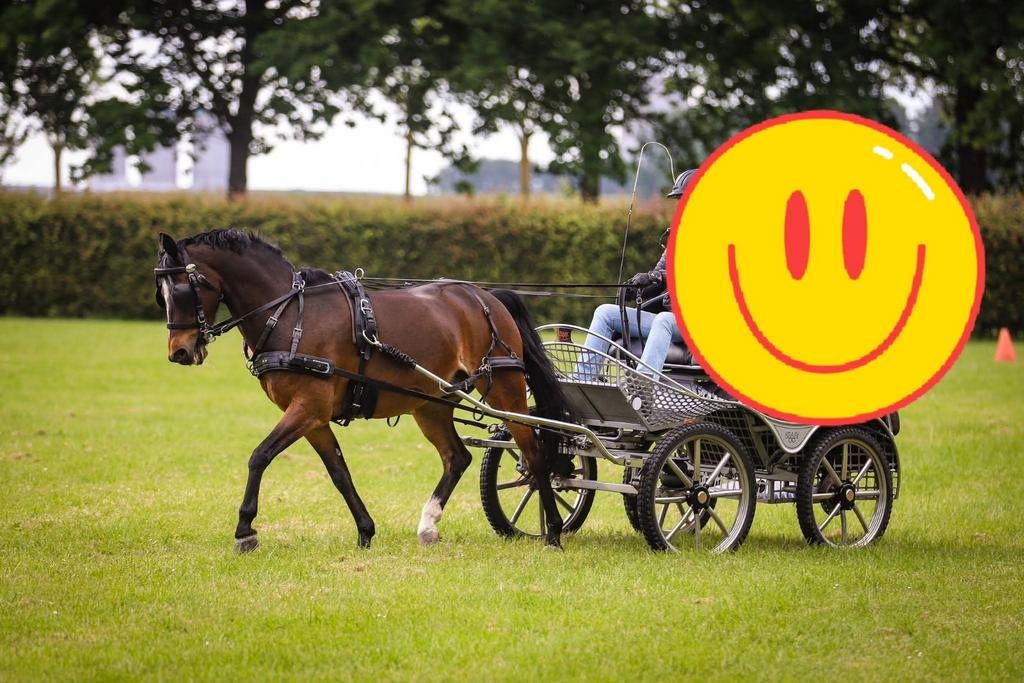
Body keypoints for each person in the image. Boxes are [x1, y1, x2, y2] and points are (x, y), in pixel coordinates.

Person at [574, 169, 718, 399]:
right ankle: (580, 385)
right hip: (673, 321)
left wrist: (662, 278)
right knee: (605, 313)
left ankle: (642, 390)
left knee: (663, 320)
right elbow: (659, 274)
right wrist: (640, 284)